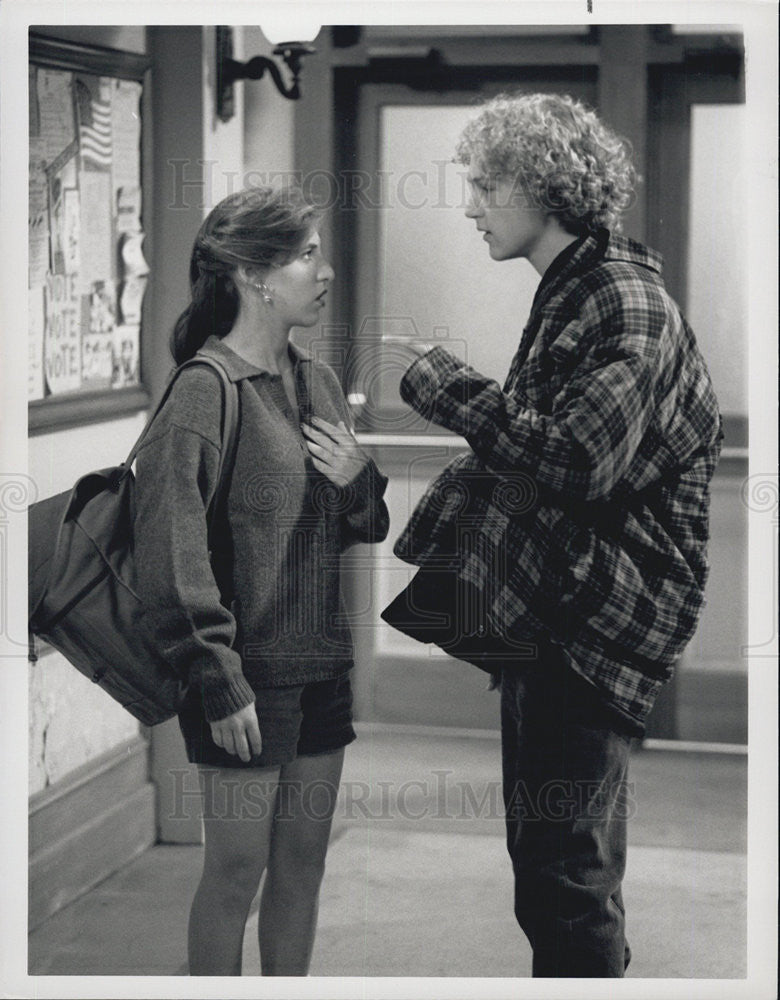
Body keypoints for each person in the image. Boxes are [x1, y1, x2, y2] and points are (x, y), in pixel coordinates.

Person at [382, 93, 722, 977]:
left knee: (565, 876)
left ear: (545, 187)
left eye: (486, 185)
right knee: (554, 867)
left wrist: (441, 383)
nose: (469, 206)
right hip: (568, 616)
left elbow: (574, 462)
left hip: (595, 624)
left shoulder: (623, 303)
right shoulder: (581, 289)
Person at [133, 185, 389, 975]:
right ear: (253, 274)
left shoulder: (313, 380)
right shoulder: (203, 391)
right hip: (244, 679)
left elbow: (365, 523)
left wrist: (360, 477)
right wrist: (216, 676)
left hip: (320, 667)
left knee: (304, 868)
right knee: (235, 874)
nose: (328, 271)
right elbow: (170, 557)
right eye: (309, 255)